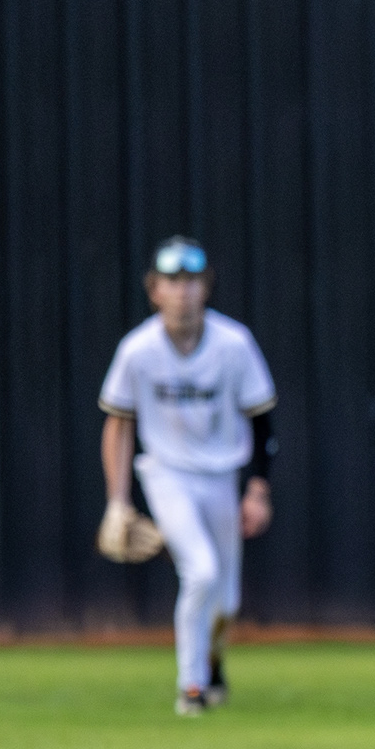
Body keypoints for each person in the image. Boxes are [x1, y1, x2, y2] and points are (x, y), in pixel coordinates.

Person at [97, 238, 276, 716]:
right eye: (172, 282)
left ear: (206, 287)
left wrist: (258, 489)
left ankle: (212, 662)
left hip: (221, 475)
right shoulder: (138, 350)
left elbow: (261, 420)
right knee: (200, 571)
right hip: (167, 473)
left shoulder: (233, 344)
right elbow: (118, 423)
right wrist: (117, 500)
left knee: (227, 602)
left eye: (191, 281)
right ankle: (190, 686)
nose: (182, 292)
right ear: (154, 290)